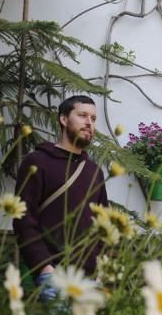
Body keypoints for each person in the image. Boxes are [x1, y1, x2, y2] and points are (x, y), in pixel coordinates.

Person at [12, 95, 108, 292]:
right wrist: (44, 266)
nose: (89, 123)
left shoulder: (94, 171)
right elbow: (23, 219)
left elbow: (103, 224)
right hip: (53, 275)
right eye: (82, 115)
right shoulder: (38, 162)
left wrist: (97, 267)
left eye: (93, 118)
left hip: (88, 280)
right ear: (64, 119)